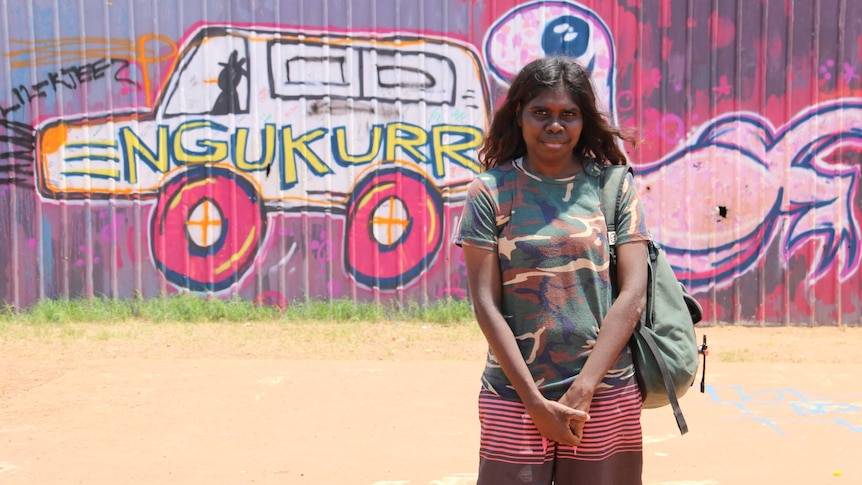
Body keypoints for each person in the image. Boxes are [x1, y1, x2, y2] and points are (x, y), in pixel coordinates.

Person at [455, 56, 651, 485]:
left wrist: (584, 389)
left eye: (569, 114)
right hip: (514, 396)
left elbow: (633, 291)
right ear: (519, 115)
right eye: (541, 112)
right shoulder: (489, 191)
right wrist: (534, 403)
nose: (555, 125)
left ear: (583, 121)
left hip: (605, 393)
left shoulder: (613, 186)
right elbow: (485, 303)